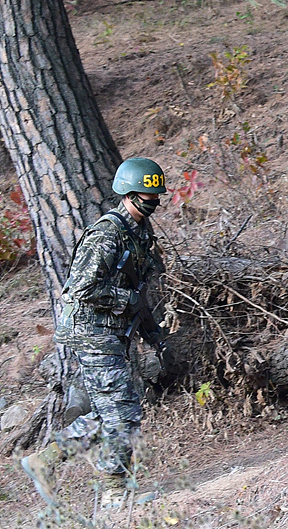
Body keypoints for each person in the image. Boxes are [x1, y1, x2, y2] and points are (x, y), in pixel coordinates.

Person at [22, 158, 170, 509]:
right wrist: (125, 299)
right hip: (92, 332)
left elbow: (139, 293)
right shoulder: (107, 233)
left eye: (155, 193)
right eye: (145, 193)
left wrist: (153, 334)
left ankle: (47, 459)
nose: (152, 199)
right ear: (128, 194)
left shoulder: (140, 234)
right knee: (123, 412)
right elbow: (81, 287)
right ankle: (113, 494)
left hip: (113, 333)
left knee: (110, 410)